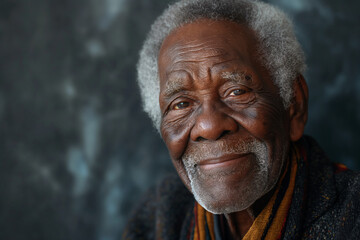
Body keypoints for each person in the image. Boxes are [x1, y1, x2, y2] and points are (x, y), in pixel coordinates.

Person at [122, 0, 360, 239]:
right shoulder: (157, 219)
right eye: (181, 104)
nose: (210, 126)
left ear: (294, 105)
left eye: (237, 91)